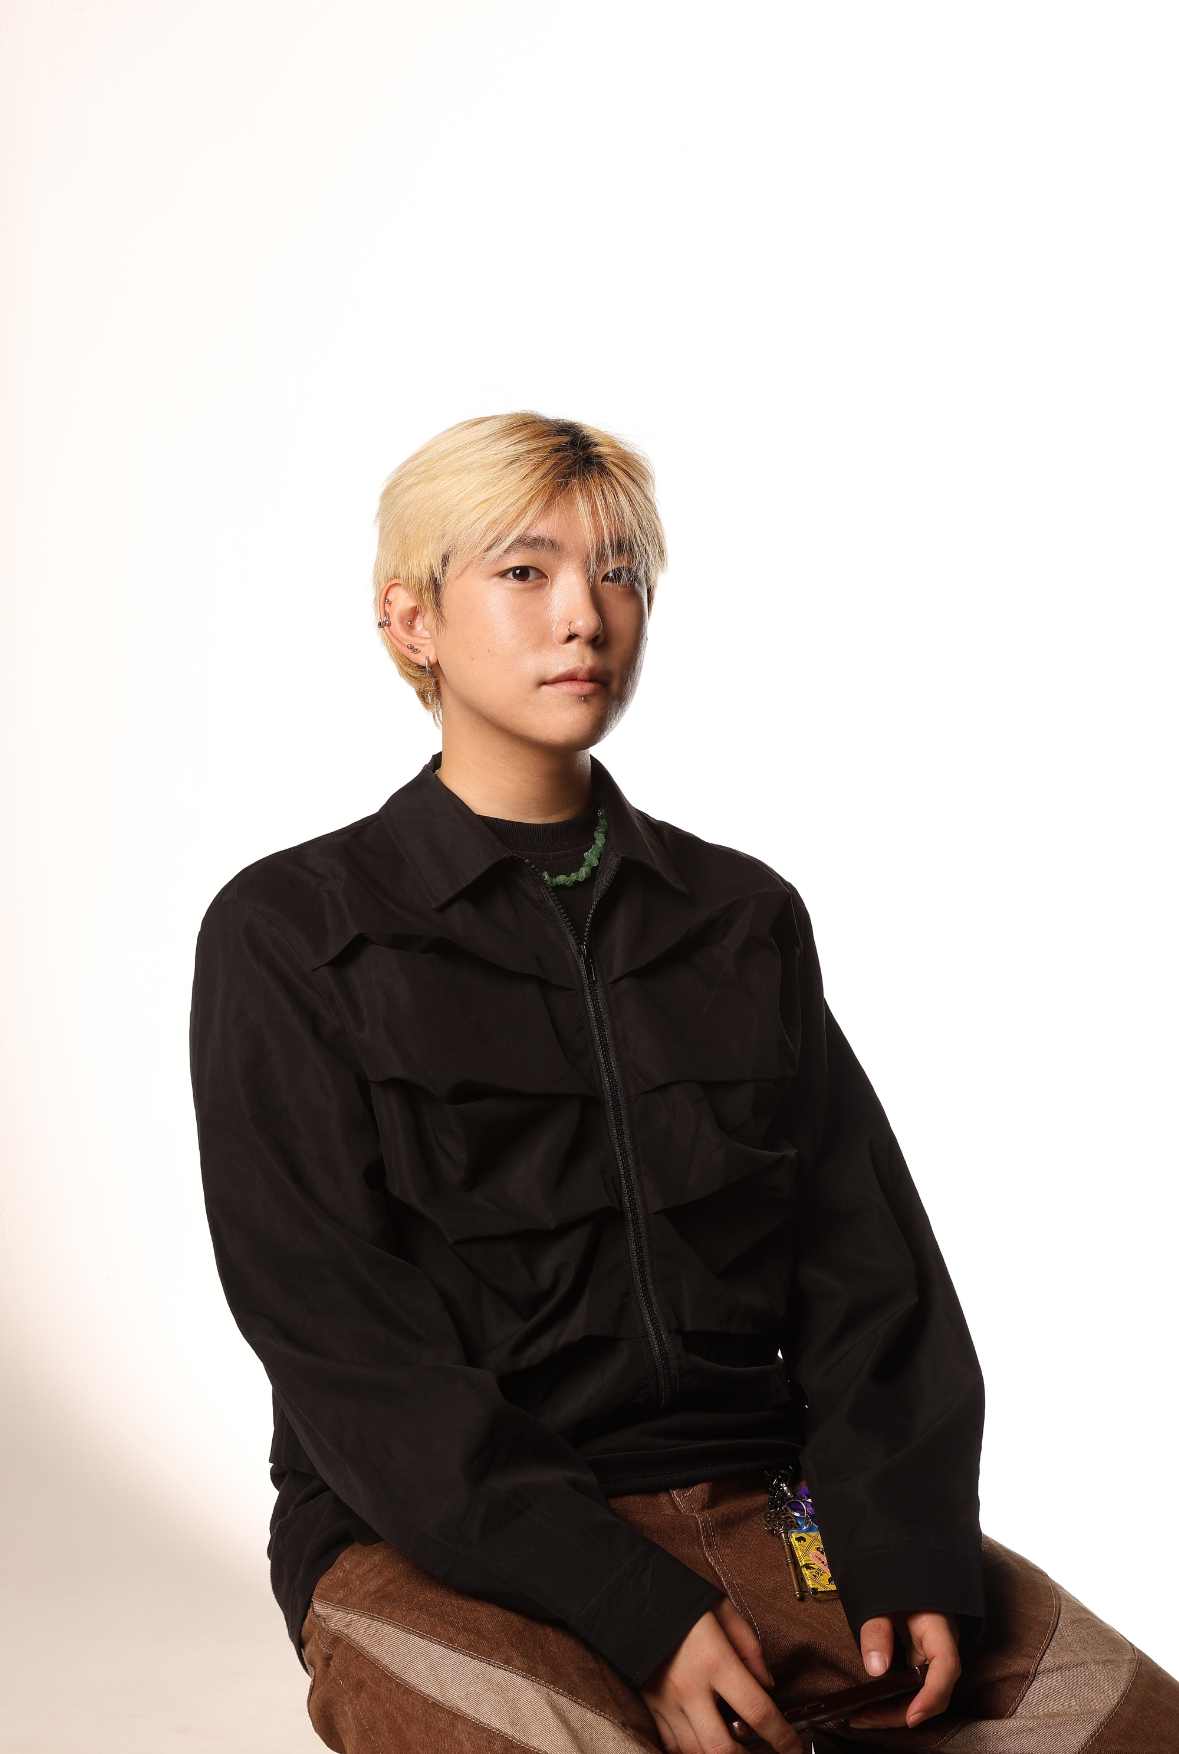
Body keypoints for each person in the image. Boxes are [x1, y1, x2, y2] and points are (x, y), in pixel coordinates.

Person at [190, 414, 1177, 1753]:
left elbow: (867, 1270)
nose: (584, 616)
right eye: (524, 571)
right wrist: (631, 1609)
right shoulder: (292, 930)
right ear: (411, 619)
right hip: (441, 1541)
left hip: (775, 1510)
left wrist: (904, 1545)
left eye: (619, 573)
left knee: (1131, 1728)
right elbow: (341, 1342)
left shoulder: (739, 916)